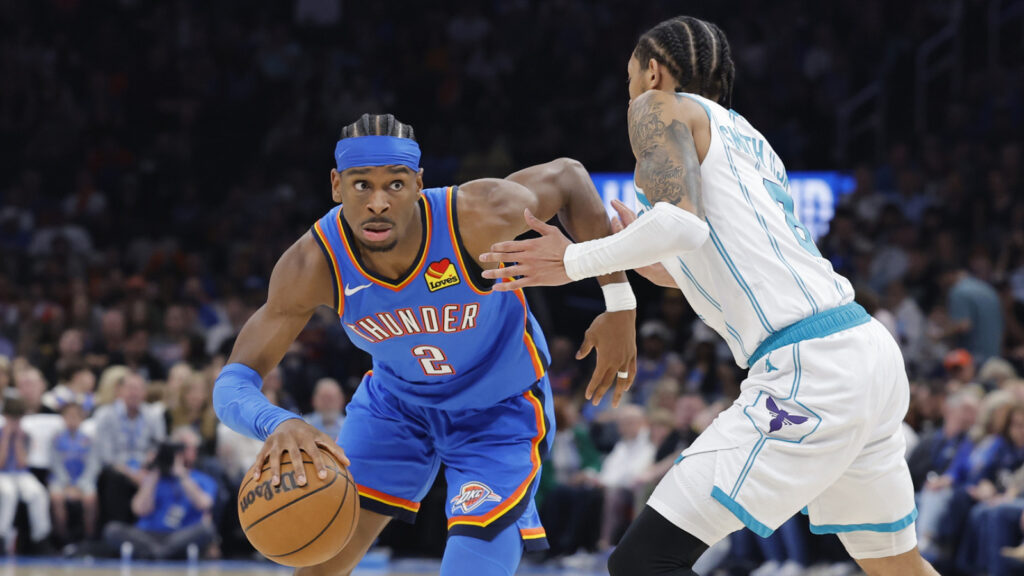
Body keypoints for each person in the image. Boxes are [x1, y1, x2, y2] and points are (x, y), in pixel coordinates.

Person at [480, 16, 937, 576]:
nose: (630, 93)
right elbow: (700, 262)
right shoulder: (749, 140)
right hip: (865, 349)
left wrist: (573, 260)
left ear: (652, 72)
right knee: (898, 567)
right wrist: (634, 254)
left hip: (810, 368)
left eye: (629, 78)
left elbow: (682, 227)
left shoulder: (656, 107)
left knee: (644, 563)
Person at [213, 113, 637, 576]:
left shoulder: (473, 216)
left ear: (418, 183)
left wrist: (620, 303)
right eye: (361, 185)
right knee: (319, 564)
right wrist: (278, 421)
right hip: (396, 407)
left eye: (395, 185)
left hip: (498, 409)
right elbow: (232, 382)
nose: (378, 202)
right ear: (336, 185)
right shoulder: (313, 263)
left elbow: (569, 177)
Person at [102, 427, 218, 560]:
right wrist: (155, 470)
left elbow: (204, 504)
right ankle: (162, 553)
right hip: (147, 534)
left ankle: (155, 553)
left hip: (180, 534)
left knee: (207, 529)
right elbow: (139, 509)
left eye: (188, 448)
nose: (186, 452)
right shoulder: (153, 477)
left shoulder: (202, 479)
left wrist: (182, 475)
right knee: (112, 530)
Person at [93, 371, 166, 525]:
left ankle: (153, 528)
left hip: (145, 468)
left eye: (138, 388)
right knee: (113, 478)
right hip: (118, 469)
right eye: (130, 388)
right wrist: (132, 474)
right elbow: (106, 457)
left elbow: (158, 447)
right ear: (119, 391)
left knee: (159, 475)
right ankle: (117, 528)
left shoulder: (153, 416)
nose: (134, 393)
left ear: (145, 392)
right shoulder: (105, 415)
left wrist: (147, 467)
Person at [0, 398, 52, 552]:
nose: (15, 422)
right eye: (12, 417)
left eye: (18, 418)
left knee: (38, 493)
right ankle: (2, 536)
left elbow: (23, 463)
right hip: (2, 474)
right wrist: (6, 437)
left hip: (21, 474)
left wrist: (17, 440)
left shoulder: (26, 435)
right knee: (8, 493)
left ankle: (40, 537)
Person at [49, 402, 99, 543]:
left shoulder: (89, 440)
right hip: (61, 480)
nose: (72, 420)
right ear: (63, 418)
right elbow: (55, 463)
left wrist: (80, 485)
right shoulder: (56, 439)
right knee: (57, 498)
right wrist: (67, 484)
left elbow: (93, 465)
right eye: (69, 416)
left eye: (76, 416)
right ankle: (62, 538)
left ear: (82, 418)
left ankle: (89, 537)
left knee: (90, 499)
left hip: (83, 480)